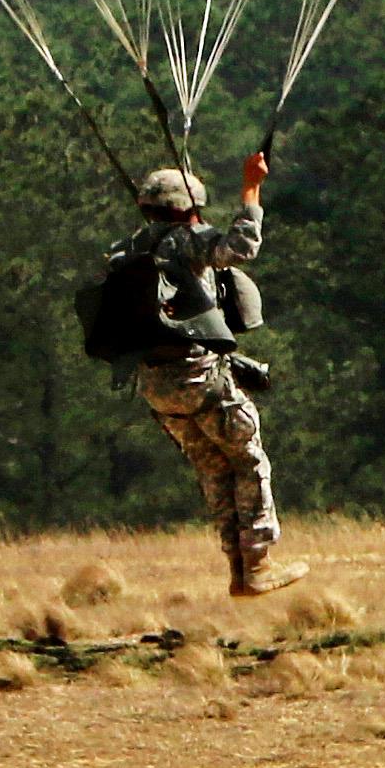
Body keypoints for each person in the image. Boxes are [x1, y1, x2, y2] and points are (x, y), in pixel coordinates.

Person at [122, 151, 305, 598]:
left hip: (157, 388)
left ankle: (239, 571)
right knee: (248, 461)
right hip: (201, 378)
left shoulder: (130, 250)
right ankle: (257, 564)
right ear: (189, 206)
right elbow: (241, 249)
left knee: (215, 471)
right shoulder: (187, 240)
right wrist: (251, 188)